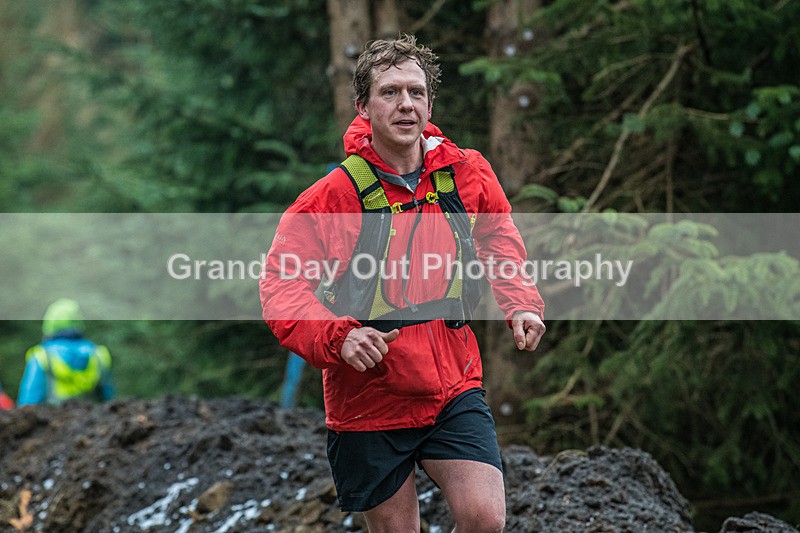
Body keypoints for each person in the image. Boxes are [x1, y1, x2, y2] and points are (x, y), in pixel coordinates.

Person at [260, 34, 545, 532]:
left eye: (416, 92)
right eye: (390, 92)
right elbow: (281, 284)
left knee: (485, 519)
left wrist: (520, 303)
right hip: (370, 398)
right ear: (364, 106)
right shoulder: (333, 195)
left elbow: (499, 237)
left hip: (452, 384)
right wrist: (339, 335)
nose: (405, 104)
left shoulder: (465, 173)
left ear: (430, 103)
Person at [17, 298, 115, 406]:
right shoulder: (99, 354)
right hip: (91, 420)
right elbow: (110, 400)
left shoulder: (41, 355)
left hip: (51, 420)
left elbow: (28, 402)